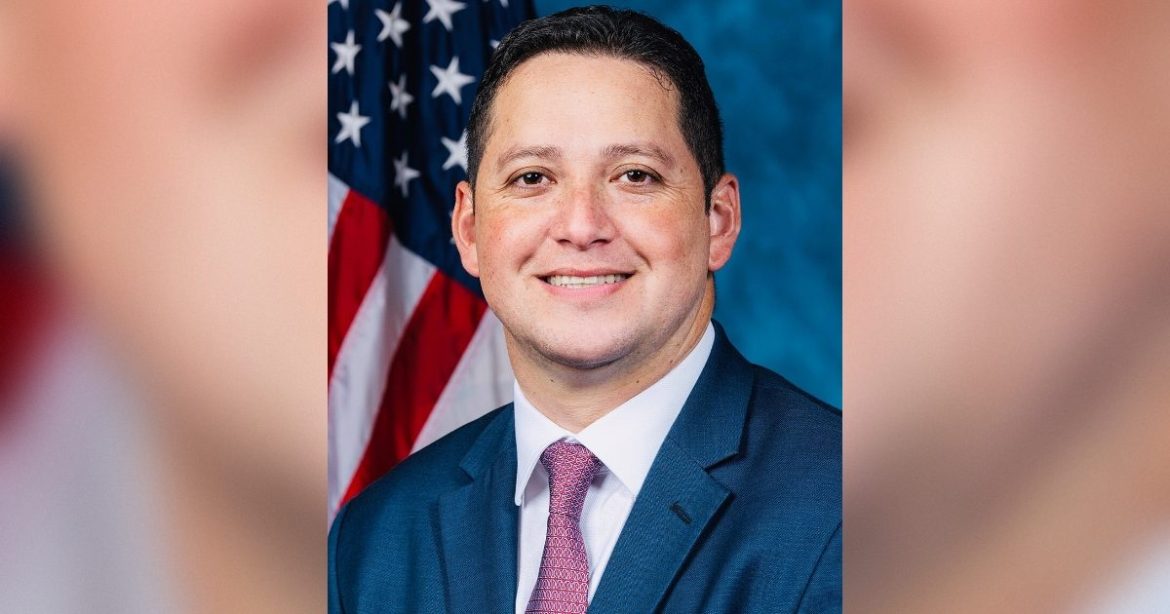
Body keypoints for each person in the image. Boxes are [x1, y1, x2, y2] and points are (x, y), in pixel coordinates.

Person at [329, 7, 840, 613]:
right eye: (532, 178)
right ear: (468, 229)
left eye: (634, 176)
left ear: (718, 221)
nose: (581, 226)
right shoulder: (375, 539)